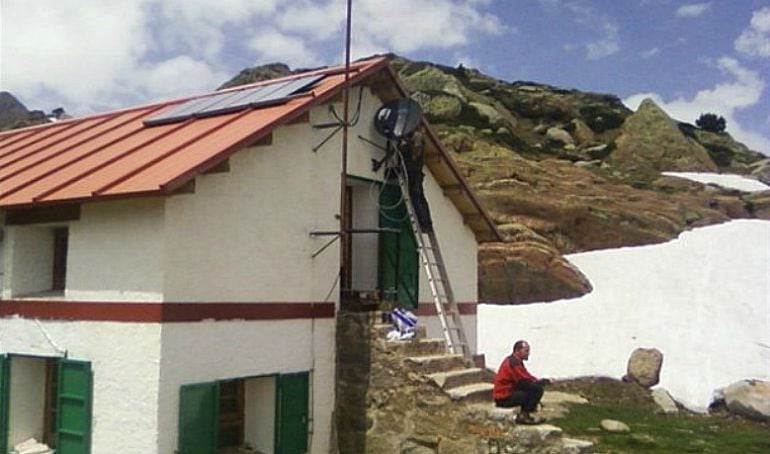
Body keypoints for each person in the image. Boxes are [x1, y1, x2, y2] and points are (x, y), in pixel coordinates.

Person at [493, 340, 551, 424]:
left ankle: (526, 413)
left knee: (533, 388)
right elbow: (523, 381)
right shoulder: (514, 363)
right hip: (503, 398)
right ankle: (524, 416)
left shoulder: (514, 361)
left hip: (505, 395)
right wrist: (541, 382)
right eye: (526, 351)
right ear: (517, 351)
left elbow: (526, 376)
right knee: (536, 390)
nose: (528, 354)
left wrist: (540, 381)